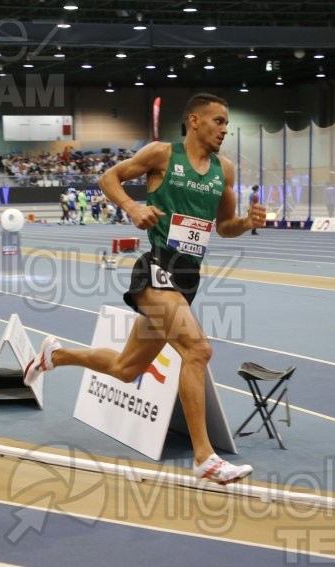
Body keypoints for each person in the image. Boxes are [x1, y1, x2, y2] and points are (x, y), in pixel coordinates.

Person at [23, 93, 265, 485]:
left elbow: (225, 226)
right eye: (218, 121)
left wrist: (248, 222)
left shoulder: (225, 170)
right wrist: (133, 208)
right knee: (198, 350)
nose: (224, 129)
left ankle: (57, 355)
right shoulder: (162, 154)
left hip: (188, 278)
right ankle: (205, 457)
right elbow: (108, 178)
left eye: (226, 122)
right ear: (194, 121)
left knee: (126, 368)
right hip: (156, 267)